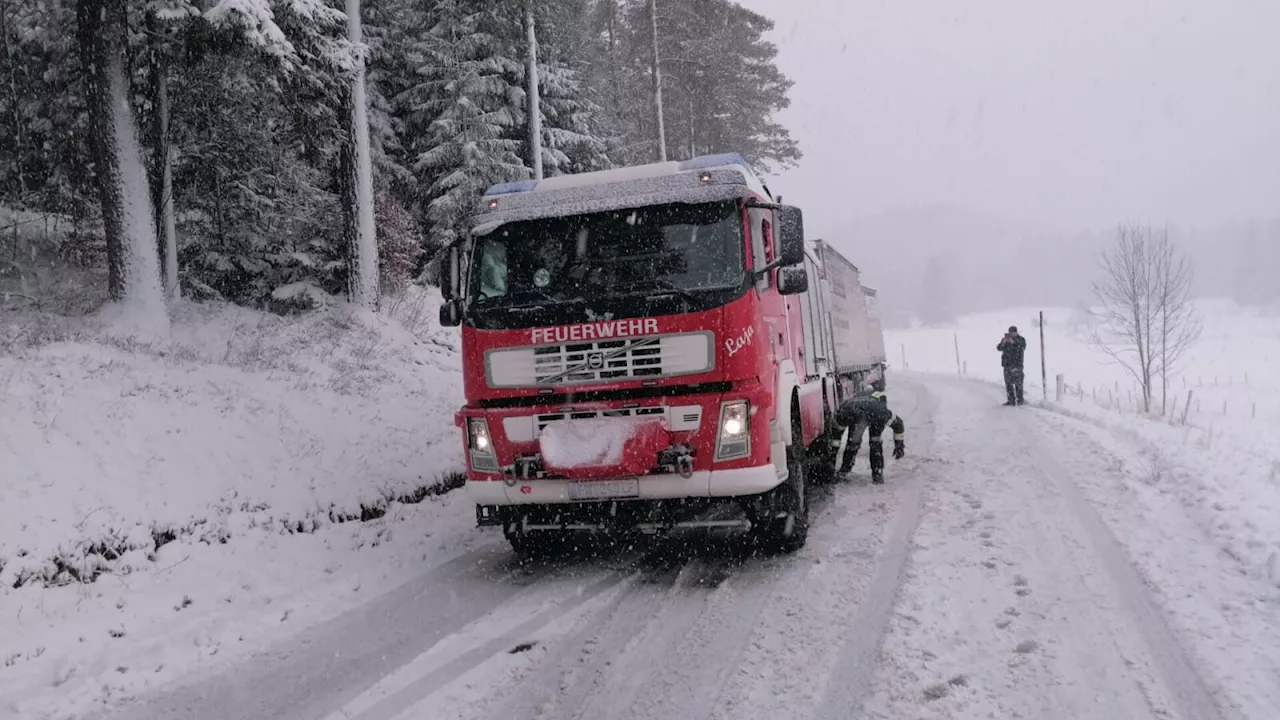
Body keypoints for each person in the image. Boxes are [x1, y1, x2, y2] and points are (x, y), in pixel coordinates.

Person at [832, 385, 906, 484]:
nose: (860, 427)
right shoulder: (845, 413)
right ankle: (846, 469)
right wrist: (832, 456)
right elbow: (836, 436)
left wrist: (899, 445)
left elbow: (898, 423)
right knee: (853, 442)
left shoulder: (880, 413)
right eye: (857, 425)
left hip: (874, 412)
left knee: (874, 441)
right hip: (858, 410)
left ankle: (877, 473)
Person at [997, 325, 1027, 406]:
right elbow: (999, 348)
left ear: (1016, 332)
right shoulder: (1005, 340)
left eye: (1013, 332)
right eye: (1010, 332)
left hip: (1017, 365)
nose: (1011, 334)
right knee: (1008, 383)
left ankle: (1020, 400)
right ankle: (1011, 400)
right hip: (1007, 365)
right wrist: (1003, 342)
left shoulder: (1021, 340)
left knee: (1018, 384)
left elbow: (1022, 347)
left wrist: (1013, 343)